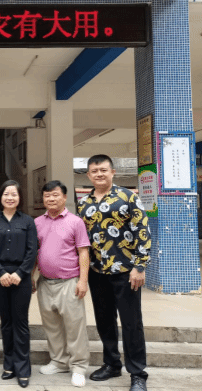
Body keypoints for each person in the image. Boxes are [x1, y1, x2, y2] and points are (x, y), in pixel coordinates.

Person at [78, 154, 151, 391]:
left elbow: (142, 231)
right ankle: (111, 364)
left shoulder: (128, 197)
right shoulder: (84, 203)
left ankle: (137, 373)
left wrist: (140, 266)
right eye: (94, 171)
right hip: (97, 272)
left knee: (131, 323)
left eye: (103, 170)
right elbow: (82, 240)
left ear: (112, 172)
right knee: (104, 321)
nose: (99, 174)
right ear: (88, 175)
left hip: (125, 271)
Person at [34, 180, 91, 388]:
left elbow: (83, 252)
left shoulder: (76, 222)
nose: (51, 199)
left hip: (69, 282)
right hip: (45, 282)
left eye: (55, 195)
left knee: (75, 326)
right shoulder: (37, 222)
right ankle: (59, 362)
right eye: (47, 195)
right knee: (52, 326)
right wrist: (31, 277)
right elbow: (34, 252)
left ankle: (79, 367)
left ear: (64, 197)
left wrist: (83, 281)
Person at [0, 180, 37, 388]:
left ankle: (23, 368)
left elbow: (32, 250)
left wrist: (20, 273)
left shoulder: (27, 221)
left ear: (19, 198)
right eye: (6, 194)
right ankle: (9, 365)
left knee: (21, 323)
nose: (10, 197)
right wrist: (0, 272)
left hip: (21, 277)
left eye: (14, 194)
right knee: (6, 322)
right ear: (1, 197)